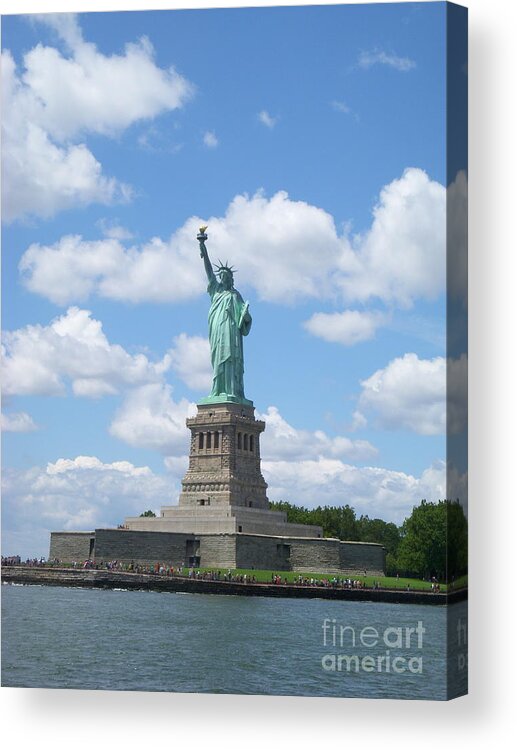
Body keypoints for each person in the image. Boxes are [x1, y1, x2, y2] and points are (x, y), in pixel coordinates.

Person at [198, 231, 252, 401]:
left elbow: (245, 321)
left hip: (231, 331)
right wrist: (203, 247)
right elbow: (208, 270)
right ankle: (218, 390)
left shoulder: (235, 295)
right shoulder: (216, 290)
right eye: (220, 276)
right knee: (218, 358)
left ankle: (233, 391)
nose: (222, 278)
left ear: (230, 278)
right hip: (217, 329)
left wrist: (246, 315)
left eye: (225, 276)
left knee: (231, 360)